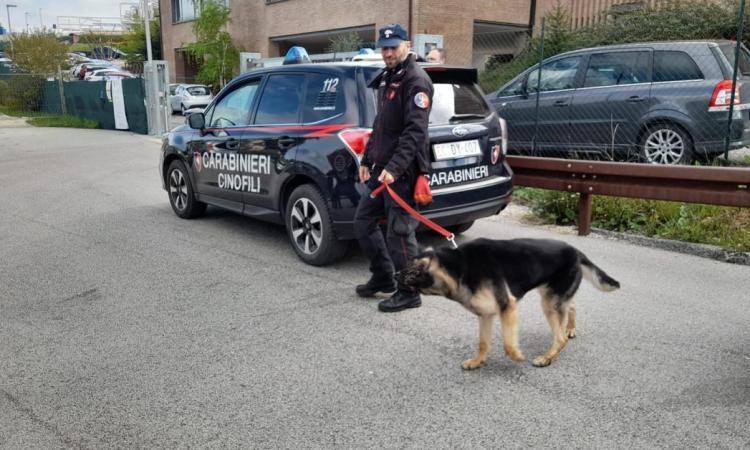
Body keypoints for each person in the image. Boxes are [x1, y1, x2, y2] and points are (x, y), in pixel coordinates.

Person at [353, 24, 434, 313]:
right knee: (363, 220)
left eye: (393, 47)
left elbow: (415, 132)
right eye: (384, 48)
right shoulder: (389, 78)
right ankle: (384, 276)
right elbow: (381, 126)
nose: (388, 52)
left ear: (407, 45)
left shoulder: (416, 81)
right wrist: (366, 159)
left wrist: (396, 168)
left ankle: (409, 292)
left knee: (399, 233)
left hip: (403, 171)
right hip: (381, 168)